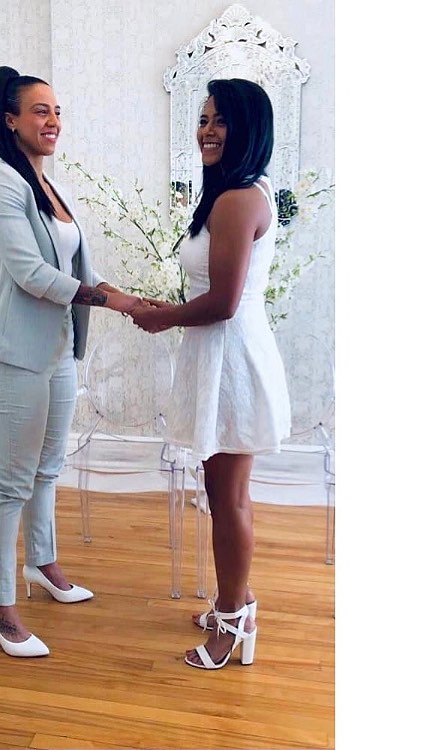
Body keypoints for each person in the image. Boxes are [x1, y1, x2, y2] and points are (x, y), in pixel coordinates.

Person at [0, 65, 143, 658]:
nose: (53, 121)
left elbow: (76, 271)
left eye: (57, 111)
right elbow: (31, 274)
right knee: (12, 483)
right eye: (40, 111)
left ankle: (42, 563)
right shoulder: (0, 186)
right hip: (17, 357)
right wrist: (111, 299)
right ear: (10, 119)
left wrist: (125, 296)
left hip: (59, 351)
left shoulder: (48, 185)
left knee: (49, 469)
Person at [131, 78, 291, 670]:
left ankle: (232, 623)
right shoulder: (238, 193)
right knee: (224, 493)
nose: (206, 130)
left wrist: (161, 318)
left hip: (230, 357)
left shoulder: (237, 199)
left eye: (219, 120)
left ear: (249, 127)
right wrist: (164, 311)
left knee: (227, 498)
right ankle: (237, 599)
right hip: (219, 355)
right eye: (202, 119)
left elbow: (223, 302)